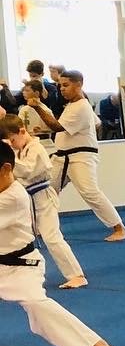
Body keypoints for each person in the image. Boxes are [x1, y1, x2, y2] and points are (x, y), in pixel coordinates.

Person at [0, 140, 114, 346]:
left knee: (35, 304)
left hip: (19, 266)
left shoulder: (12, 197)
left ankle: (91, 344)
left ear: (5, 170)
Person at [26, 70, 125, 242]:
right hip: (63, 157)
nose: (62, 89)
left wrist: (37, 106)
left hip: (80, 157)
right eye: (60, 86)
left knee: (90, 192)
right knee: (46, 190)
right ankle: (41, 229)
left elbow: (58, 126)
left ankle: (119, 228)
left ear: (79, 84)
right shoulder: (75, 105)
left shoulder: (81, 106)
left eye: (66, 85)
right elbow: (96, 123)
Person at [0, 115, 84, 288]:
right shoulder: (22, 148)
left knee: (52, 237)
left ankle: (77, 275)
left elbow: (26, 171)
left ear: (22, 131)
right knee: (20, 238)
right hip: (28, 200)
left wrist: (9, 155)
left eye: (13, 140)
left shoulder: (37, 149)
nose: (13, 144)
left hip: (43, 198)